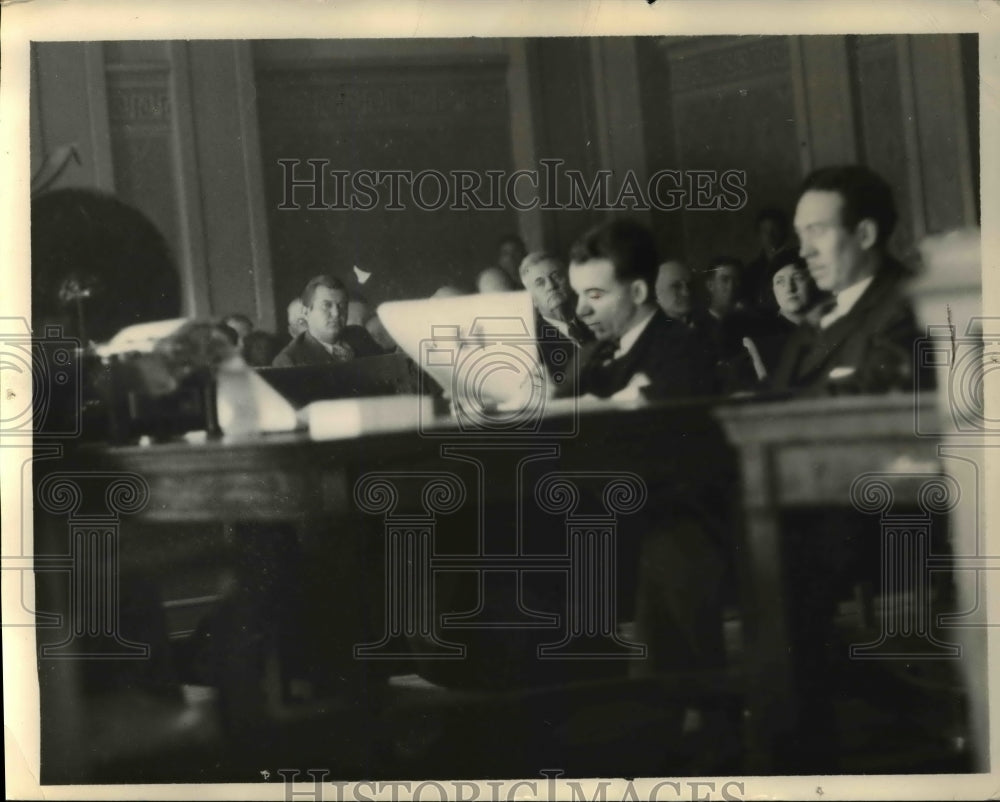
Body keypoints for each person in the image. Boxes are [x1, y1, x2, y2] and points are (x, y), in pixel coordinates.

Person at [771, 165, 925, 396]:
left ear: (865, 235)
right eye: (801, 235)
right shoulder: (819, 315)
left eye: (817, 231)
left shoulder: (912, 310)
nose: (804, 251)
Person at [561, 218, 715, 401]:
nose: (580, 310)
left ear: (638, 292)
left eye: (594, 295)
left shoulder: (685, 351)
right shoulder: (588, 355)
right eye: (578, 294)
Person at [272, 275, 384, 367]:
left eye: (342, 305)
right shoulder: (289, 360)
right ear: (306, 312)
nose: (336, 313)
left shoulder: (359, 335)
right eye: (327, 305)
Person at [748, 248, 824, 379]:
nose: (790, 288)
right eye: (780, 281)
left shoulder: (828, 325)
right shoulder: (762, 338)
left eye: (798, 278)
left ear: (813, 281)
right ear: (773, 290)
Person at [518, 251, 593, 381]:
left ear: (570, 282)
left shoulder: (593, 322)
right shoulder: (533, 345)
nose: (551, 286)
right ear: (532, 299)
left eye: (556, 276)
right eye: (540, 283)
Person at [743, 206, 793, 314]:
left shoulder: (796, 261)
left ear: (784, 232)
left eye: (774, 230)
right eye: (764, 231)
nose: (770, 236)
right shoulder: (751, 270)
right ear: (759, 235)